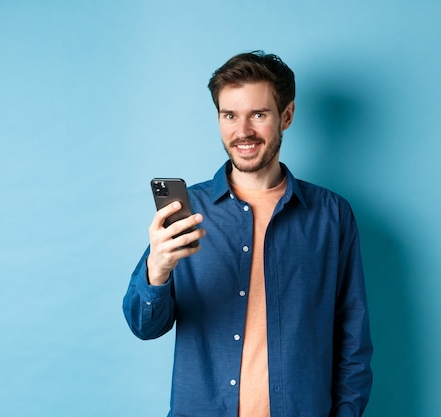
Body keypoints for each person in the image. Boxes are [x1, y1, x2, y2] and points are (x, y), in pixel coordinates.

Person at [123, 50, 373, 417]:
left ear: (285, 116)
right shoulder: (185, 211)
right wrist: (157, 272)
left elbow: (353, 338)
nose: (243, 132)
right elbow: (144, 327)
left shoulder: (331, 215)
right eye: (230, 116)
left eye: (258, 114)